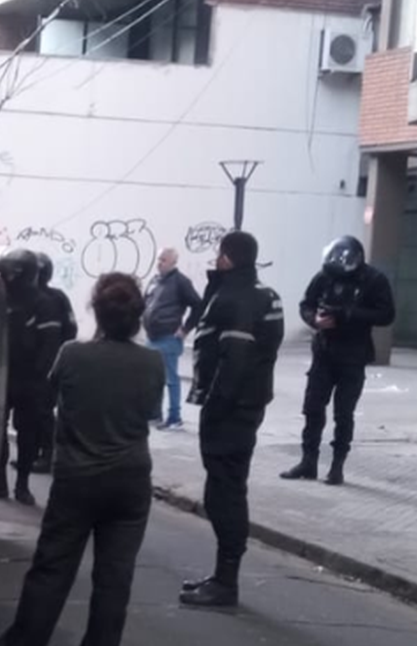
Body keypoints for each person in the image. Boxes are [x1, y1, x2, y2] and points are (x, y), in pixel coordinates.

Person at [0, 273, 164, 646]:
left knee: (52, 572)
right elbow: (149, 412)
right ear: (137, 317)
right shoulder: (153, 363)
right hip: (131, 481)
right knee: (114, 581)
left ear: (96, 310)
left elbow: (50, 398)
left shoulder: (72, 355)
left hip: (78, 478)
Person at [180, 231, 285, 609]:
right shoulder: (265, 294)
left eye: (218, 254)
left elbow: (235, 357)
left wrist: (215, 406)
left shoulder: (236, 298)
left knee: (223, 494)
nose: (215, 260)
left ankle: (226, 583)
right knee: (227, 489)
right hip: (248, 404)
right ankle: (222, 576)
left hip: (231, 409)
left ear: (228, 257)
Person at [280, 236, 395, 486]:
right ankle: (308, 461)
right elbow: (306, 304)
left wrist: (349, 314)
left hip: (353, 354)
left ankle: (336, 466)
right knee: (312, 407)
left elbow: (387, 314)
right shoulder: (324, 276)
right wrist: (315, 320)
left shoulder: (373, 280)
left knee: (344, 413)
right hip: (324, 351)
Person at [0, 249, 44, 506]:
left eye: (9, 274)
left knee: (27, 434)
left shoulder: (44, 303)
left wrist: (44, 380)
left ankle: (22, 484)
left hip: (30, 379)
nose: (6, 279)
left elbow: (51, 345)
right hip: (3, 376)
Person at [143, 248, 203, 430]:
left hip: (168, 336)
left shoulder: (181, 282)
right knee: (154, 379)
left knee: (170, 379)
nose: (159, 262)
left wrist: (185, 329)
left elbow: (198, 306)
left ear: (173, 262)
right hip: (152, 337)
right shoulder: (154, 281)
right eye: (158, 259)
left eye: (163, 260)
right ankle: (155, 415)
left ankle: (174, 417)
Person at [32, 252, 78, 473]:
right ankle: (36, 453)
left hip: (46, 366)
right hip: (40, 365)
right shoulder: (51, 296)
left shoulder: (52, 298)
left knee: (43, 411)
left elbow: (70, 330)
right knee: (37, 412)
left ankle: (46, 454)